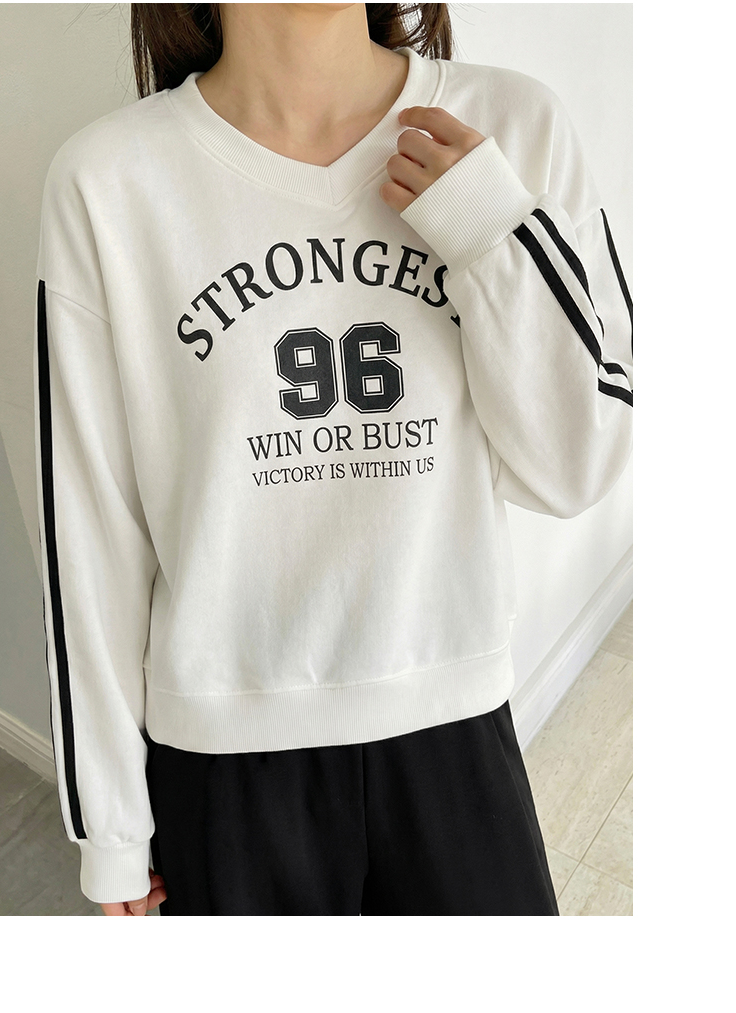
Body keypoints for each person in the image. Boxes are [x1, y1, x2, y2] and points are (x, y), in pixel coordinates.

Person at [34, 2, 632, 916]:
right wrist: (109, 825)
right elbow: (86, 526)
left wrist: (489, 227)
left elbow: (577, 466)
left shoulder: (510, 128)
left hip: (454, 724)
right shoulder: (109, 181)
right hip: (221, 758)